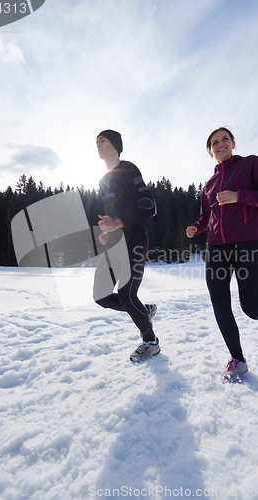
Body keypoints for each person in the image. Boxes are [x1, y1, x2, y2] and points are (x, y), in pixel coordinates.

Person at [186, 127, 258, 383]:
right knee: (220, 304)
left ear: (232, 143)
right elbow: (207, 217)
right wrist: (197, 227)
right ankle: (238, 360)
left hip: (249, 244)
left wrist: (238, 196)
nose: (221, 144)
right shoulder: (208, 185)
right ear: (210, 151)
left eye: (225, 139)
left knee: (252, 308)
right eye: (215, 142)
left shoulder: (251, 164)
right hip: (215, 249)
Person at [93, 129, 160, 362]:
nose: (98, 145)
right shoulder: (103, 180)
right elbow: (112, 217)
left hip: (135, 240)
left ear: (115, 144)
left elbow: (149, 206)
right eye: (96, 142)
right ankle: (145, 311)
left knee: (126, 294)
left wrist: (119, 223)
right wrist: (107, 233)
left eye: (103, 140)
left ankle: (150, 342)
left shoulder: (128, 168)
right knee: (100, 296)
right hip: (115, 244)